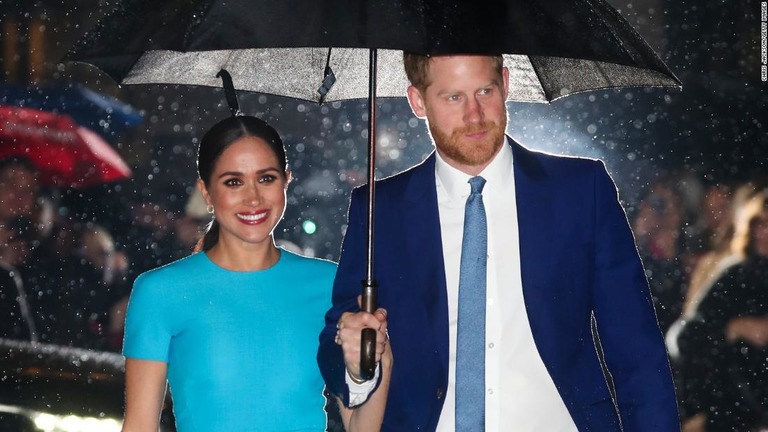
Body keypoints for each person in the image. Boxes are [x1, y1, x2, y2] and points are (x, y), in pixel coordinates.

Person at [318, 54, 679, 431]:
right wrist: (357, 362)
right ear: (418, 101)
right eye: (453, 97)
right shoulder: (379, 210)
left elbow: (636, 350)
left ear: (505, 83)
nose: (474, 115)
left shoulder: (579, 191)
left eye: (484, 91)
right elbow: (336, 338)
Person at [121, 115, 391, 432]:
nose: (253, 198)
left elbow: (362, 428)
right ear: (206, 192)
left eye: (266, 179)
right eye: (233, 182)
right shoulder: (160, 291)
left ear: (286, 180)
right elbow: (139, 426)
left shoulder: (330, 285)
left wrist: (377, 358)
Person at [666, 183, 768, 431]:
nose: (764, 233)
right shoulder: (738, 277)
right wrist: (731, 328)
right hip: (734, 418)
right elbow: (685, 337)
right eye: (761, 224)